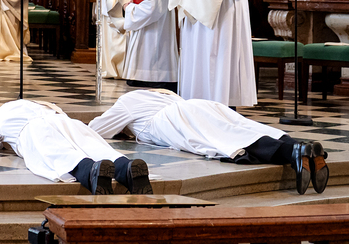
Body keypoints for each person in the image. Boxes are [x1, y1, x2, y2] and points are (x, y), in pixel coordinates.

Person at [89, 89, 328, 195]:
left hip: (172, 119)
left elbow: (95, 129)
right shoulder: (162, 94)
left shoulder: (126, 101)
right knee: (240, 128)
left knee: (226, 139)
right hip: (199, 104)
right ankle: (301, 148)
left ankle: (293, 154)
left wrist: (123, 130)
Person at [0, 100, 153, 195]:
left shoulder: (1, 115)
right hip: (67, 121)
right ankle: (125, 168)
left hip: (33, 128)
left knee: (59, 153)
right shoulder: (46, 105)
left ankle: (90, 171)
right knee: (93, 146)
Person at [121, 0, 178, 91]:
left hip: (156, 29)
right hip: (147, 26)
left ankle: (156, 77)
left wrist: (129, 8)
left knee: (154, 52)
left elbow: (152, 9)